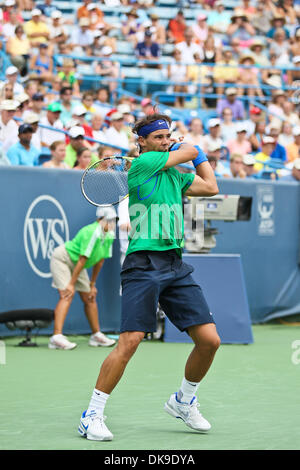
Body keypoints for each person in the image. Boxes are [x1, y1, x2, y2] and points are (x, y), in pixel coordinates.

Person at [78, 113, 220, 441]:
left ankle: (184, 400)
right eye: (158, 137)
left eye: (168, 136)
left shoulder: (175, 175)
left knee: (210, 341)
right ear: (140, 143)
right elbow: (189, 150)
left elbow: (211, 186)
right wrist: (193, 149)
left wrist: (197, 155)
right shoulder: (140, 166)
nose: (166, 140)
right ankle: (92, 414)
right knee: (130, 341)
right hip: (143, 265)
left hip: (175, 264)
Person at [49, 207, 117, 350]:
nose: (112, 223)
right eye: (109, 220)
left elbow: (100, 261)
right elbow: (82, 259)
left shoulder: (110, 235)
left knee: (90, 297)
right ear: (100, 219)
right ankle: (56, 337)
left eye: (114, 220)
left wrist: (92, 284)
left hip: (79, 264)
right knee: (67, 294)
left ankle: (96, 335)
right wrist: (71, 284)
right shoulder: (91, 232)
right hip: (63, 259)